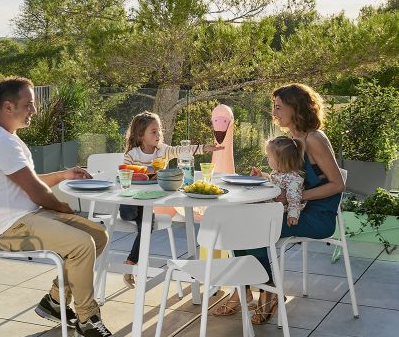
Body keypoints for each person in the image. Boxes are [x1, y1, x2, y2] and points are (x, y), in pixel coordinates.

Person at [0, 76, 120, 337]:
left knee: (97, 235)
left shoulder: (7, 139)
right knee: (81, 243)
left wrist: (64, 174)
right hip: (12, 230)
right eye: (28, 105)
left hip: (29, 217)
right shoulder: (2, 143)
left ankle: (55, 301)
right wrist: (64, 208)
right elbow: (37, 192)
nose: (34, 110)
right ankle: (87, 319)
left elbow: (27, 179)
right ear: (8, 107)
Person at [213, 83, 345, 323]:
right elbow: (291, 178)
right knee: (239, 224)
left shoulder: (314, 139)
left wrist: (295, 198)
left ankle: (266, 291)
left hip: (316, 216)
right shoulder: (292, 138)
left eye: (278, 108)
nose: (274, 113)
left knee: (255, 227)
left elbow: (337, 184)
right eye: (274, 108)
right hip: (294, 208)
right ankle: (246, 290)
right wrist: (264, 178)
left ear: (296, 108)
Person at [120, 111, 222, 287]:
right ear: (140, 135)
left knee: (146, 226)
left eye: (159, 130)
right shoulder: (132, 155)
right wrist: (148, 170)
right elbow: (126, 175)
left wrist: (205, 148)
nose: (158, 134)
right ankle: (131, 265)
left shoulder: (163, 151)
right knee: (139, 218)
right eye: (153, 131)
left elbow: (181, 150)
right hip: (131, 203)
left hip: (149, 203)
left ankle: (130, 263)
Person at [265, 136, 306, 226]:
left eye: (269, 157)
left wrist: (292, 215)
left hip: (279, 210)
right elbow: (274, 184)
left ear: (280, 161)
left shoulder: (293, 180)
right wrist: (262, 176)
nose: (267, 159)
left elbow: (294, 199)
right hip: (272, 204)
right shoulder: (277, 172)